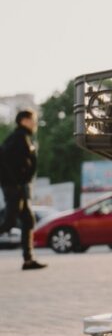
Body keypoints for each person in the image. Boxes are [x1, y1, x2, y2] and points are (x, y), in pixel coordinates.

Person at [0, 110, 47, 270]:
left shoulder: (24, 138)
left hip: (19, 186)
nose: (35, 123)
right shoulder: (18, 138)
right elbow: (4, 160)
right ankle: (28, 259)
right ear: (23, 120)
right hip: (15, 187)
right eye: (33, 120)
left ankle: (28, 260)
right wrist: (17, 182)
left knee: (28, 220)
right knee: (9, 222)